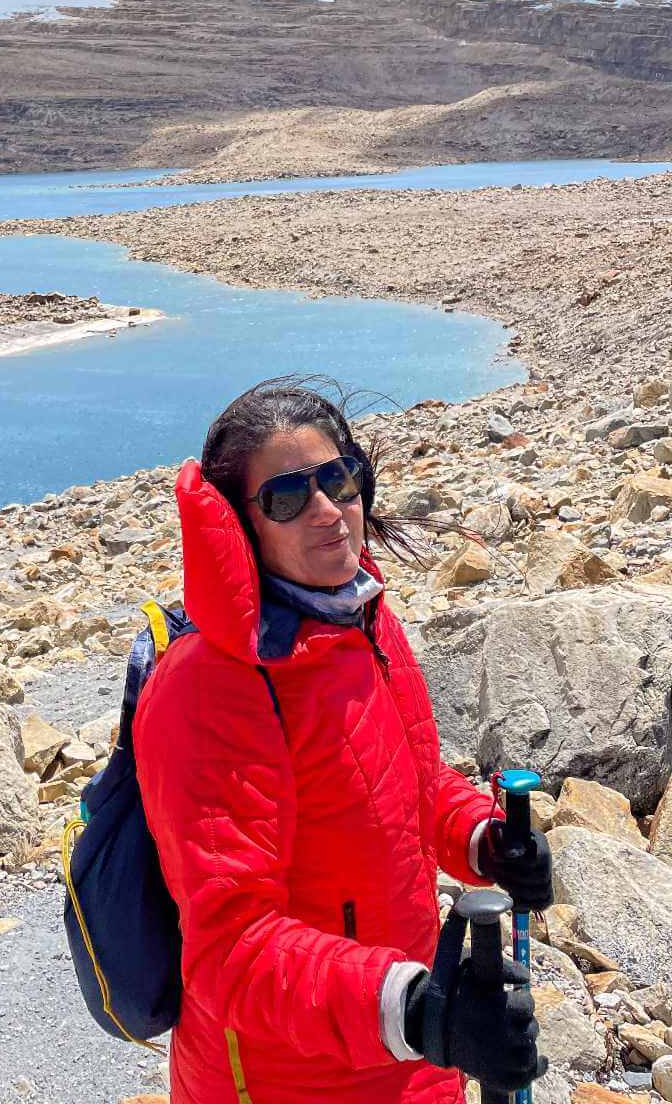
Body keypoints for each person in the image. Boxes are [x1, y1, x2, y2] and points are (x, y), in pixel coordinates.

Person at [133, 376, 552, 1103]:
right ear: (240, 525)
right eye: (288, 497)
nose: (328, 511)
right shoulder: (211, 685)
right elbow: (229, 949)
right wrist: (418, 1008)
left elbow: (410, 786)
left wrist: (485, 839)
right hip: (284, 1074)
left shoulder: (361, 619)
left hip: (406, 1045)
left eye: (340, 479)